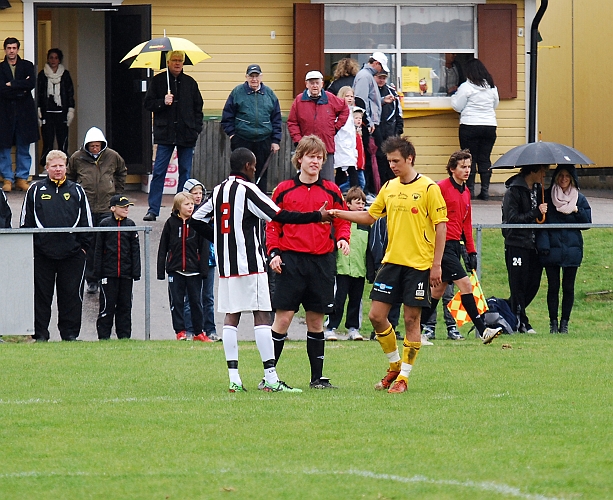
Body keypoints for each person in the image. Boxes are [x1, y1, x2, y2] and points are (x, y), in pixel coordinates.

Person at [191, 146, 334, 392]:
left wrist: (220, 239)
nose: (255, 169)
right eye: (254, 165)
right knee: (262, 316)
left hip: (227, 265)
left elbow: (195, 219)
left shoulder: (219, 189)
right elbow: (279, 215)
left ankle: (234, 380)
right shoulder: (248, 189)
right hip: (250, 263)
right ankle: (270, 377)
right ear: (248, 166)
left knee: (231, 318)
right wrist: (316, 216)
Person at [329, 136, 448, 394]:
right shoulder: (389, 187)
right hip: (391, 262)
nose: (392, 165)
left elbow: (441, 227)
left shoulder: (429, 188)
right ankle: (394, 364)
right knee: (376, 316)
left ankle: (404, 377)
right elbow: (369, 216)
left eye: (396, 161)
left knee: (411, 319)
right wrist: (338, 213)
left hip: (418, 265)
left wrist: (436, 264)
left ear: (409, 159)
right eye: (389, 161)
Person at [267, 135, 351, 389]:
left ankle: (317, 379)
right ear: (300, 158)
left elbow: (342, 219)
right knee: (283, 319)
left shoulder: (332, 190)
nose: (315, 161)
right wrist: (274, 253)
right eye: (311, 156)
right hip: (291, 261)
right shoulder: (283, 189)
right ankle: (269, 377)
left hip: (321, 262)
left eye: (319, 157)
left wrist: (343, 238)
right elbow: (273, 224)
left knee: (316, 321)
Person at [419, 149, 502, 344]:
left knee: (437, 292)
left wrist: (471, 250)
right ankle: (483, 331)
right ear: (452, 169)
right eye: (463, 167)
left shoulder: (465, 192)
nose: (467, 171)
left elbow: (466, 223)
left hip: (455, 245)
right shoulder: (440, 188)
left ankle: (416, 331)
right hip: (442, 245)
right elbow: (427, 215)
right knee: (465, 284)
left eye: (468, 167)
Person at [20, 150, 93, 342]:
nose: (58, 169)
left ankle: (70, 335)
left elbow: (87, 223)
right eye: (54, 166)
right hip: (42, 255)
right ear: (47, 168)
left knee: (71, 297)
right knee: (41, 297)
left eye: (61, 166)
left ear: (66, 167)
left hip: (72, 256)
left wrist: (83, 248)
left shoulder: (77, 190)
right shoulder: (35, 190)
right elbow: (25, 222)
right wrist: (33, 248)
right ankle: (40, 334)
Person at [143, 51, 203, 221]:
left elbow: (198, 107)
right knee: (159, 172)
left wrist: (196, 128)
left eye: (180, 61)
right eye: (174, 60)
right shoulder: (158, 81)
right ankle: (153, 210)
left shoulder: (190, 83)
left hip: (186, 134)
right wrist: (163, 101)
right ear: (168, 62)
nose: (177, 63)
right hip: (165, 135)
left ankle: (181, 210)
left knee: (185, 173)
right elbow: (148, 104)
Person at [67, 126, 127, 294]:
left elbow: (121, 172)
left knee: (108, 243)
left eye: (97, 145)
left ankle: (106, 277)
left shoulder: (113, 156)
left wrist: (117, 193)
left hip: (107, 206)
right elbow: (70, 177)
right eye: (92, 145)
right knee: (90, 244)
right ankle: (91, 279)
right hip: (86, 207)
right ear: (86, 145)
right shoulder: (77, 158)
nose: (95, 148)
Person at [536, 165, 591, 334]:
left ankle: (564, 323)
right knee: (553, 287)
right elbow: (541, 223)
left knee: (568, 287)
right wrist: (539, 211)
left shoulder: (579, 199)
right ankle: (553, 323)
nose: (564, 179)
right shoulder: (546, 196)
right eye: (560, 175)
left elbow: (587, 222)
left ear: (572, 178)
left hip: (571, 249)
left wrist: (576, 210)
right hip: (551, 249)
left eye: (567, 176)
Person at [157, 192, 210, 342]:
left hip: (194, 271)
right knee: (177, 302)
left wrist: (203, 270)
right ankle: (180, 331)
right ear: (178, 207)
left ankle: (199, 333)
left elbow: (204, 248)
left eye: (192, 204)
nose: (190, 207)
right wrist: (161, 270)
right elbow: (163, 247)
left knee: (196, 303)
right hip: (176, 270)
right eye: (187, 204)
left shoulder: (199, 223)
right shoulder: (170, 223)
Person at [502, 164, 548, 334]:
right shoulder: (513, 191)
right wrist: (535, 213)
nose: (545, 174)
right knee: (518, 283)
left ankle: (509, 309)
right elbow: (513, 219)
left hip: (533, 244)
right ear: (534, 170)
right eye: (543, 171)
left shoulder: (538, 189)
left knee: (533, 283)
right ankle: (521, 321)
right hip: (517, 243)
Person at [221, 64, 282, 192]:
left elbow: (276, 119)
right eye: (251, 76)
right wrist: (232, 135)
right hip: (242, 140)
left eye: (256, 76)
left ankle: (260, 203)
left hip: (264, 140)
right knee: (240, 174)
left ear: (261, 77)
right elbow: (227, 116)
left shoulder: (270, 94)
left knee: (262, 175)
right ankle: (240, 199)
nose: (254, 79)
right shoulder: (237, 92)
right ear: (246, 77)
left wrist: (275, 140)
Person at [287, 70, 349, 182]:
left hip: (326, 147)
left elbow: (345, 108)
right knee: (306, 180)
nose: (314, 85)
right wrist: (299, 141)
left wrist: (335, 128)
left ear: (322, 84)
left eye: (317, 82)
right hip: (306, 149)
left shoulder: (331, 98)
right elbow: (292, 122)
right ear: (306, 84)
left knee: (327, 181)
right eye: (311, 83)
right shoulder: (299, 100)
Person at [93, 194, 141, 340]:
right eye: (123, 207)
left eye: (127, 206)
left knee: (125, 307)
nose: (126, 209)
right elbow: (98, 250)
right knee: (107, 306)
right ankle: (103, 336)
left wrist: (135, 272)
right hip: (109, 273)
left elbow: (135, 250)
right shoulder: (105, 224)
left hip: (126, 274)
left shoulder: (130, 225)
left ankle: (124, 336)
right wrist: (97, 272)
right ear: (113, 208)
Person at [325, 187, 369, 341]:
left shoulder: (366, 225)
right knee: (338, 299)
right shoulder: (341, 224)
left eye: (363, 203)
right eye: (357, 203)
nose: (361, 206)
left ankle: (353, 328)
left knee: (356, 300)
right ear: (348, 204)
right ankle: (331, 327)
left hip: (359, 270)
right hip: (341, 269)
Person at [451, 58, 499, 200]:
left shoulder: (466, 87)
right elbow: (495, 105)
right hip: (489, 125)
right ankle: (485, 191)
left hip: (470, 125)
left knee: (468, 158)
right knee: (484, 158)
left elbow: (457, 106)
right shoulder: (491, 87)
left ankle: (470, 190)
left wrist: (453, 96)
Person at [181, 178, 218, 341]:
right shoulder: (184, 216)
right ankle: (190, 329)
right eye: (194, 193)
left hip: (209, 260)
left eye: (200, 193)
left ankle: (210, 329)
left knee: (208, 297)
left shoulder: (209, 212)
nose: (198, 196)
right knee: (191, 297)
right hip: (191, 261)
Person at [0, 37, 38, 193]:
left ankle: (22, 178)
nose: (11, 51)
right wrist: (20, 88)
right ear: (5, 49)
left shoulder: (27, 66)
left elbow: (31, 84)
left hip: (24, 112)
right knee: (4, 146)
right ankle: (7, 179)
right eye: (8, 48)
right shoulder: (0, 68)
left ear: (18, 49)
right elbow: (1, 89)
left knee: (24, 145)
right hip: (5, 111)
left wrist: (12, 84)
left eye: (14, 48)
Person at [37, 48, 75, 166]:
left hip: (61, 113)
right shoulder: (42, 74)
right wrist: (38, 109)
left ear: (59, 60)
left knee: (62, 141)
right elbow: (39, 93)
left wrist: (70, 109)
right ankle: (46, 165)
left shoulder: (65, 74)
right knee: (47, 141)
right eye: (51, 58)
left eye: (56, 58)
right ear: (48, 59)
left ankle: (64, 165)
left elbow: (70, 93)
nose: (53, 60)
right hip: (47, 112)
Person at [374, 70, 403, 185]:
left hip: (391, 133)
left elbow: (399, 113)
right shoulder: (372, 91)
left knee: (392, 161)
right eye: (379, 77)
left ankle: (394, 185)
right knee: (379, 161)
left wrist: (398, 131)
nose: (381, 80)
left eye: (384, 78)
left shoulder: (392, 92)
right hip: (376, 132)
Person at [333, 86, 359, 190]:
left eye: (351, 96)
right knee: (352, 172)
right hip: (341, 145)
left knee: (341, 174)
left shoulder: (352, 111)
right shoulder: (338, 112)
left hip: (350, 146)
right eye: (347, 96)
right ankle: (356, 194)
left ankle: (333, 191)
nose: (349, 98)